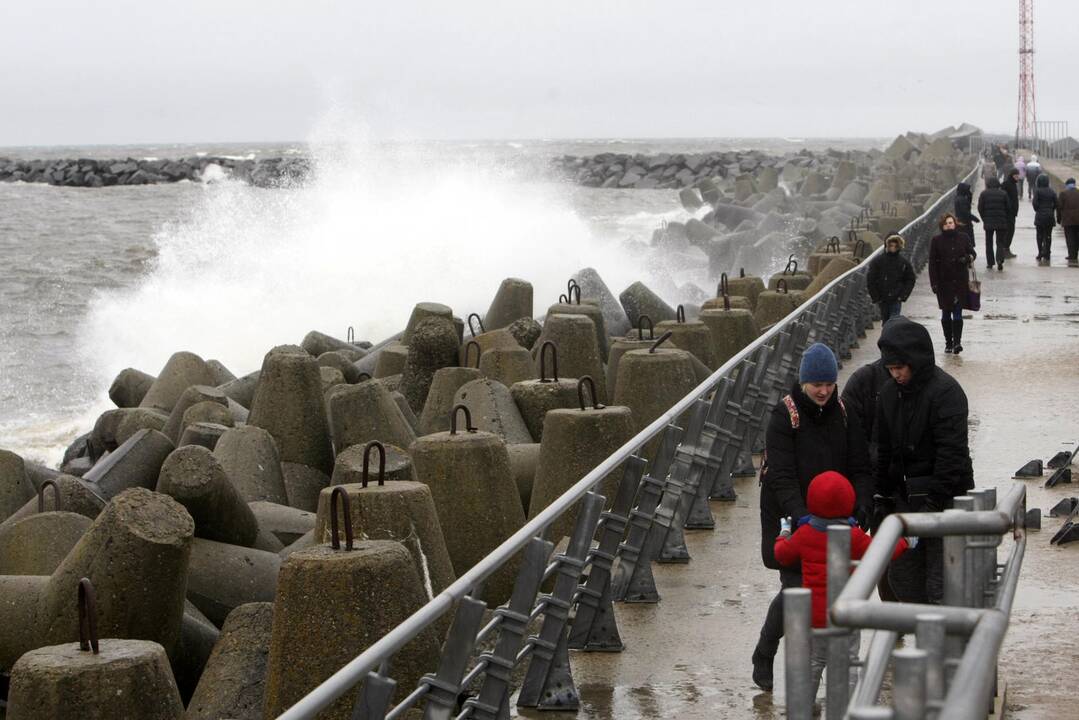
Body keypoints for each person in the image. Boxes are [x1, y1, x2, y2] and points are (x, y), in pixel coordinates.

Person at [752, 342, 872, 691]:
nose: (823, 391)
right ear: (803, 382)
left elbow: (861, 466)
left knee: (825, 587)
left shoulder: (846, 413)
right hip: (789, 511)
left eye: (829, 384)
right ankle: (766, 649)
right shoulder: (784, 415)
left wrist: (862, 502)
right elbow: (782, 476)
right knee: (795, 589)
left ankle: (829, 671)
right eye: (816, 384)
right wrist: (802, 517)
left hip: (833, 512)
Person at [773, 470, 911, 697]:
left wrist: (784, 532)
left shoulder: (805, 534)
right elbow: (881, 551)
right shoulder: (854, 536)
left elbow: (782, 554)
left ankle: (804, 706)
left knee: (814, 662)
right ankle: (845, 708)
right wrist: (905, 541)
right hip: (847, 613)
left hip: (814, 616)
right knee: (848, 661)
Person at [874, 317, 974, 605]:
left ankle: (944, 643)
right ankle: (922, 636)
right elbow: (883, 449)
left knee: (939, 585)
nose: (896, 375)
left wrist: (933, 504)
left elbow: (951, 454)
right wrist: (880, 495)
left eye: (900, 368)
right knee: (901, 576)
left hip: (946, 501)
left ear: (915, 361)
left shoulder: (947, 393)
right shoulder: (889, 395)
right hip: (905, 500)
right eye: (890, 369)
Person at [928, 214, 975, 354]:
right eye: (946, 223)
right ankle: (948, 342)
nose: (949, 225)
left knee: (958, 313)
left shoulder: (964, 238)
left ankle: (957, 342)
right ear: (942, 226)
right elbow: (932, 263)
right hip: (944, 283)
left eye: (951, 222)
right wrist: (934, 282)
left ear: (955, 223)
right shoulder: (936, 241)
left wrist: (966, 258)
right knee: (946, 313)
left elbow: (973, 254)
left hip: (960, 281)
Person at [865, 234, 916, 321]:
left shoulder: (903, 262)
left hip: (896, 298)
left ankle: (889, 333)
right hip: (882, 298)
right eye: (891, 245)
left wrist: (903, 296)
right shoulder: (878, 261)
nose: (893, 248)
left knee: (893, 320)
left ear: (899, 246)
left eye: (896, 246)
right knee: (886, 321)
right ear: (887, 245)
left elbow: (910, 279)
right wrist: (876, 297)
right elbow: (870, 279)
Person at [977, 177, 1011, 270]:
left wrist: (984, 218)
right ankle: (1000, 260)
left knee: (989, 242)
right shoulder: (1003, 194)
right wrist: (1004, 217)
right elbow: (1008, 208)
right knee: (1000, 242)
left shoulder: (984, 194)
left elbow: (980, 208)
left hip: (989, 222)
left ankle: (990, 262)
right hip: (1001, 221)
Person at [1032, 174, 1059, 264]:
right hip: (1049, 216)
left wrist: (1038, 209)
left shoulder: (1038, 191)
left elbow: (1035, 203)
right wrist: (1051, 209)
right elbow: (1056, 203)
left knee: (1039, 235)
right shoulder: (1052, 191)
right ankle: (1047, 253)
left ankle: (1040, 252)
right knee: (1048, 235)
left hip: (1040, 215)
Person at [1058, 178, 1079, 266]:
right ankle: (1076, 254)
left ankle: (1072, 255)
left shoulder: (1063, 194)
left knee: (1070, 238)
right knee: (1077, 237)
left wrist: (1059, 219)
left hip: (1068, 220)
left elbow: (1059, 207)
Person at [1001, 167, 1021, 258]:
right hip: (1008, 213)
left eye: (1018, 176)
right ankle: (1005, 249)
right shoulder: (1006, 185)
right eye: (1016, 176)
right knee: (1008, 231)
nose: (1017, 178)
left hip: (1012, 213)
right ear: (1012, 176)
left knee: (1011, 231)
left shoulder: (1013, 184)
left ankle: (1007, 248)